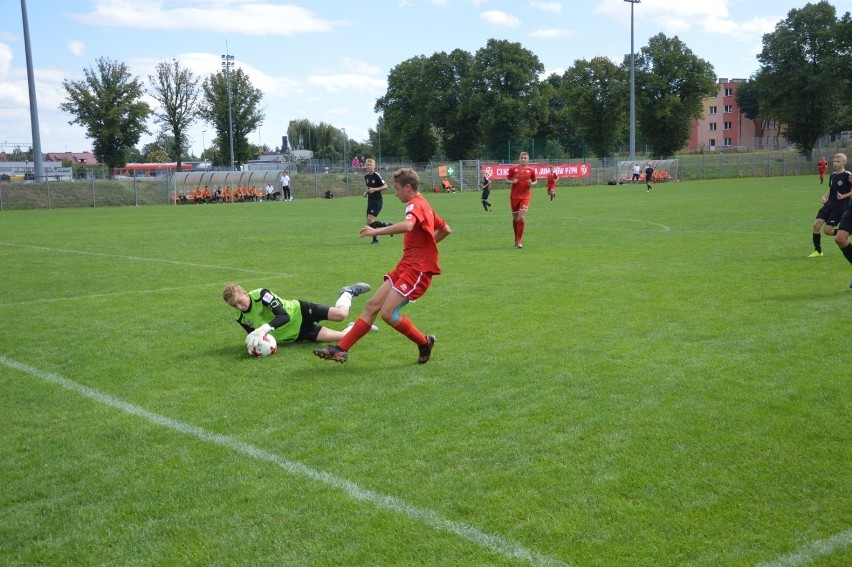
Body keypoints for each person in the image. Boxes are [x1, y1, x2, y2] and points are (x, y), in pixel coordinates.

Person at [314, 167, 452, 364]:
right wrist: (425, 247)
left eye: (396, 188)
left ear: (408, 187)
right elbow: (446, 229)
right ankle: (340, 349)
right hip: (406, 266)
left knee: (388, 313)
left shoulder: (414, 205)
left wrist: (376, 232)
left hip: (417, 270)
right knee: (372, 306)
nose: (394, 193)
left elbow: (408, 226)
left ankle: (424, 342)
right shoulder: (426, 206)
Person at [223, 282, 378, 350]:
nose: (239, 307)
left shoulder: (261, 294)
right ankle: (352, 327)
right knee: (346, 337)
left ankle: (347, 292)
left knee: (340, 314)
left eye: (240, 301)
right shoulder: (240, 318)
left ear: (245, 293)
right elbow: (255, 338)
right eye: (234, 306)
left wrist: (264, 328)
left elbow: (283, 316)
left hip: (300, 311)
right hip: (298, 334)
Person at [810, 154, 851, 257]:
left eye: (838, 161)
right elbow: (831, 188)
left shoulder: (848, 175)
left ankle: (845, 233)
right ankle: (818, 251)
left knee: (827, 231)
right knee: (816, 225)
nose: (835, 163)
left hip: (840, 207)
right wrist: (825, 196)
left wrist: (843, 196)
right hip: (829, 204)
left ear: (844, 162)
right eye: (834, 161)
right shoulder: (833, 175)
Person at [505, 151, 537, 249]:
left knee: (521, 217)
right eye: (522, 158)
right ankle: (516, 239)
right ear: (519, 159)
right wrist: (512, 182)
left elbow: (535, 181)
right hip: (514, 197)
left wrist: (531, 184)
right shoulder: (513, 169)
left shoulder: (531, 170)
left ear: (528, 160)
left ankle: (519, 241)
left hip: (525, 196)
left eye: (525, 158)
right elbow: (506, 180)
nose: (523, 159)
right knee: (515, 219)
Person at [363, 157, 392, 244]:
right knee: (369, 221)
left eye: (370, 165)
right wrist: (366, 193)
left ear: (374, 166)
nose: (369, 166)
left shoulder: (377, 175)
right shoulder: (366, 177)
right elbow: (369, 188)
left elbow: (386, 186)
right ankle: (388, 226)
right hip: (370, 201)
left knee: (370, 219)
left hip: (377, 201)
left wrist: (375, 190)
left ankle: (375, 240)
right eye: (367, 165)